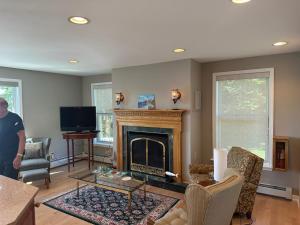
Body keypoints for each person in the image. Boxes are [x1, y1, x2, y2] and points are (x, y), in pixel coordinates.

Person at [0, 97, 25, 179]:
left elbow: (22, 138)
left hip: (12, 158)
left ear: (5, 106)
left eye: (1, 106)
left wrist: (19, 156)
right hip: (1, 157)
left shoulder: (14, 118)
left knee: (9, 183)